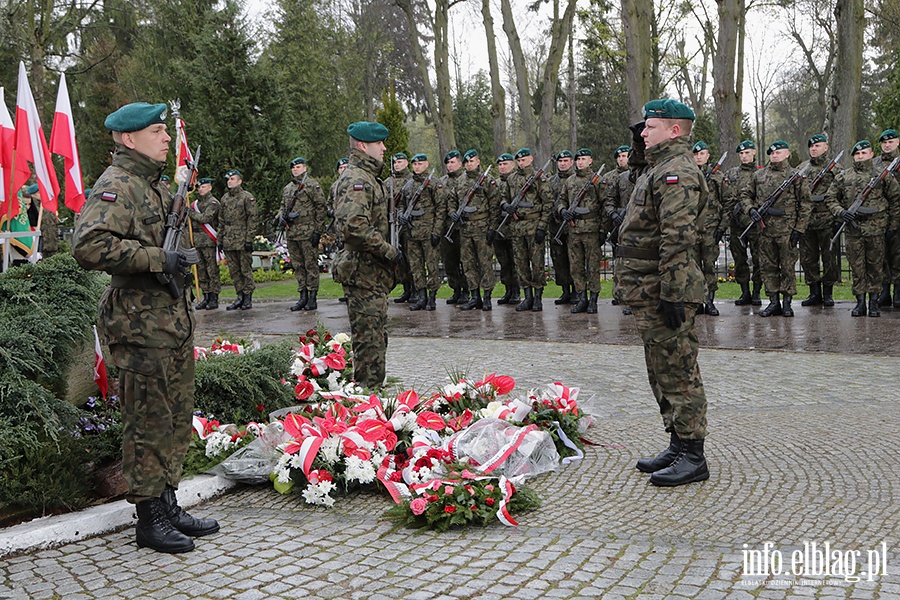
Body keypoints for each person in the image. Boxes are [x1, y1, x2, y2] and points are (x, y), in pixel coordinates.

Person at [72, 101, 219, 553]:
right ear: (130, 138)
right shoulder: (118, 184)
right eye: (158, 131)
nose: (167, 138)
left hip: (167, 320)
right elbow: (88, 245)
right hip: (139, 324)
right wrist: (158, 259)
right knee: (147, 421)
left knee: (175, 416)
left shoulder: (151, 186)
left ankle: (168, 502)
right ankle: (149, 518)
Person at [613, 99, 709, 487]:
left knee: (679, 369)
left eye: (650, 127)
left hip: (665, 287)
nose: (643, 132)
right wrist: (640, 142)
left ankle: (693, 455)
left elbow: (678, 238)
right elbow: (639, 166)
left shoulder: (678, 173)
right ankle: (677, 441)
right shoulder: (658, 167)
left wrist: (671, 292)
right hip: (648, 286)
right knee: (660, 369)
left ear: (674, 131)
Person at [331, 121, 398, 389]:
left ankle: (372, 394)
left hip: (371, 273)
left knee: (375, 339)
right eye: (378, 143)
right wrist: (388, 251)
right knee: (369, 343)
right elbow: (353, 227)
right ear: (362, 145)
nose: (383, 148)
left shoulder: (369, 178)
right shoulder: (356, 179)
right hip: (362, 272)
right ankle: (367, 401)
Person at [825, 140, 900, 317]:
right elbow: (830, 198)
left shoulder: (882, 176)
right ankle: (860, 303)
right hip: (854, 230)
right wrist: (841, 212)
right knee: (857, 268)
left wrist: (893, 225)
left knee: (875, 267)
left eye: (864, 153)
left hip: (876, 229)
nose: (860, 157)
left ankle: (874, 303)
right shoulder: (844, 176)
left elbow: (895, 200)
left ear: (871, 155)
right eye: (857, 154)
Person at [740, 140, 811, 317]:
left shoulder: (796, 176)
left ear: (787, 154)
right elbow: (745, 195)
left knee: (787, 268)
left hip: (787, 231)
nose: (774, 155)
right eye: (772, 153)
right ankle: (773, 302)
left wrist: (799, 229)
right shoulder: (759, 175)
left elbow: (806, 204)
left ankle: (787, 303)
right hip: (765, 232)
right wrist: (751, 209)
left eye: (778, 152)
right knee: (767, 267)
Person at [558, 148, 605, 314]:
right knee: (576, 267)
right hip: (573, 230)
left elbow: (605, 205)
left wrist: (603, 230)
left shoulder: (597, 181)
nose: (580, 162)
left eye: (583, 159)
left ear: (590, 160)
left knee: (592, 267)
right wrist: (563, 211)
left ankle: (593, 300)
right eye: (578, 159)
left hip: (591, 229)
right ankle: (581, 298)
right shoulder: (569, 181)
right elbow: (561, 201)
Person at [503, 148, 550, 311]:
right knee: (521, 264)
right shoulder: (511, 179)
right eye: (519, 161)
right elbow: (503, 196)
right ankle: (527, 296)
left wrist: (542, 227)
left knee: (537, 264)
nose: (521, 163)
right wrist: (506, 206)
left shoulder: (539, 179)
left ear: (531, 159)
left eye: (524, 160)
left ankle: (538, 297)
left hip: (534, 226)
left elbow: (548, 204)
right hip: (517, 229)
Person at [452, 149, 500, 310]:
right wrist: (453, 213)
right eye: (466, 162)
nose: (469, 164)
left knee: (485, 263)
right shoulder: (459, 181)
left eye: (471, 161)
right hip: (465, 229)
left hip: (482, 228)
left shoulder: (487, 181)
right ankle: (475, 296)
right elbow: (452, 200)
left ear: (478, 162)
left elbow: (495, 206)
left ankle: (487, 296)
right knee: (468, 263)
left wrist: (492, 228)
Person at [798, 134, 841, 308]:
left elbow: (842, 194)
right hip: (807, 221)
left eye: (818, 146)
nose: (814, 149)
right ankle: (814, 292)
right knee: (808, 259)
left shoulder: (836, 169)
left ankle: (828, 293)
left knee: (829, 258)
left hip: (828, 220)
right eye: (811, 146)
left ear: (826, 147)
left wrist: (838, 216)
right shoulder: (802, 169)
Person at [278, 157, 327, 312]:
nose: (295, 170)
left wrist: (318, 230)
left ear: (305, 168)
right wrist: (279, 217)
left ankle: (312, 297)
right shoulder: (288, 188)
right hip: (292, 233)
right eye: (293, 167)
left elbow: (321, 207)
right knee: (298, 266)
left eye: (298, 167)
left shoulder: (312, 185)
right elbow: (282, 206)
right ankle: (302, 296)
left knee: (310, 265)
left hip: (308, 232)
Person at [399, 153, 442, 311]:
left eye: (420, 164)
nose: (416, 167)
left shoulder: (433, 184)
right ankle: (421, 296)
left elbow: (441, 209)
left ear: (426, 164)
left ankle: (432, 297)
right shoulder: (408, 185)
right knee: (416, 266)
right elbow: (402, 204)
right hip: (412, 231)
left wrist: (437, 231)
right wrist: (401, 215)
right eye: (414, 164)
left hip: (428, 230)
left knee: (432, 266)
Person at [723, 140, 763, 306]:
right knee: (739, 259)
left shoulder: (761, 173)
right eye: (741, 153)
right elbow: (726, 197)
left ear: (754, 152)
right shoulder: (731, 173)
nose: (744, 156)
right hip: (736, 223)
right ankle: (744, 291)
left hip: (754, 224)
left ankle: (756, 292)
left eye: (747, 153)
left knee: (758, 259)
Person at [692, 141, 725, 316]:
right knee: (694, 267)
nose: (698, 157)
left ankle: (710, 301)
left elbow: (727, 203)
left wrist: (722, 227)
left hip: (711, 228)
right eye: (696, 154)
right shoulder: (689, 176)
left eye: (702, 154)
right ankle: (697, 302)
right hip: (692, 228)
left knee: (710, 266)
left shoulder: (717, 177)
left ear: (708, 155)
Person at [218, 169, 257, 310]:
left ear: (239, 181)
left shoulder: (246, 197)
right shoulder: (224, 199)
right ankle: (239, 295)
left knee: (245, 270)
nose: (229, 181)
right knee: (234, 271)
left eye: (232, 179)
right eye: (228, 179)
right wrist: (220, 239)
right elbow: (221, 220)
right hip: (229, 239)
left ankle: (248, 297)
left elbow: (252, 219)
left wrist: (249, 239)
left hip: (242, 238)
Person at [604, 145, 636, 315]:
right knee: (624, 264)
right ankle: (625, 297)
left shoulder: (647, 176)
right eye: (621, 156)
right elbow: (609, 201)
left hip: (640, 226)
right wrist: (614, 214)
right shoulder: (620, 178)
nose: (624, 159)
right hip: (623, 226)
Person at [874, 129, 900, 307]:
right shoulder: (874, 163)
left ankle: (898, 291)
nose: (887, 144)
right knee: (881, 255)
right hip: (879, 217)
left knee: (898, 255)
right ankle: (884, 291)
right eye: (884, 142)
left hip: (898, 215)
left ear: (897, 142)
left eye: (891, 141)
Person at [187, 177, 221, 309]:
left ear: (210, 188)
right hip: (197, 242)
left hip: (209, 242)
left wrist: (189, 212)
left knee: (212, 271)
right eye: (200, 187)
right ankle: (206, 296)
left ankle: (214, 297)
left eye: (204, 187)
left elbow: (205, 218)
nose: (201, 189)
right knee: (201, 271)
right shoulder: (194, 204)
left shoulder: (213, 203)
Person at [440, 150, 468, 304]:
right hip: (446, 227)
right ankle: (455, 289)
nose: (449, 165)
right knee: (449, 261)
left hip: (462, 228)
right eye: (448, 163)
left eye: (452, 162)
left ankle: (466, 290)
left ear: (460, 163)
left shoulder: (466, 180)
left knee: (465, 261)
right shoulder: (442, 182)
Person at [548, 150, 575, 305]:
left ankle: (576, 291)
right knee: (559, 261)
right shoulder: (551, 181)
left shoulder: (576, 180)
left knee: (575, 260)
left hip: (573, 228)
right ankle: (565, 290)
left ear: (571, 162)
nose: (563, 164)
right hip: (556, 227)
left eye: (566, 160)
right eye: (560, 161)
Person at [493, 153, 520, 305]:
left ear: (513, 165)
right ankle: (508, 289)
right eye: (500, 165)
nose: (502, 167)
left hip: (513, 228)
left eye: (505, 164)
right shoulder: (494, 183)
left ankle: (516, 290)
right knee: (503, 261)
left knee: (515, 260)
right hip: (498, 228)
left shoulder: (517, 182)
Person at [389, 153, 415, 304]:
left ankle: (416, 289)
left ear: (406, 163)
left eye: (399, 162)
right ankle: (406, 288)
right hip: (394, 225)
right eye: (395, 162)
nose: (396, 165)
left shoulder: (412, 180)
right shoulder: (388, 182)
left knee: (412, 258)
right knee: (400, 260)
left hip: (409, 226)